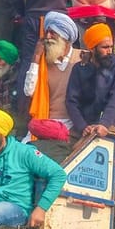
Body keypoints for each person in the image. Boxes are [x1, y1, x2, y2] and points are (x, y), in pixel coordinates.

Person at [24, 11, 80, 141]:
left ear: (65, 37)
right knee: (26, 148)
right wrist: (36, 58)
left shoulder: (82, 58)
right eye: (46, 32)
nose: (48, 37)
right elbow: (29, 91)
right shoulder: (42, 62)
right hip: (46, 122)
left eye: (53, 33)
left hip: (73, 123)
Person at [67, 23, 115, 138]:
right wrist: (82, 126)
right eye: (105, 47)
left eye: (111, 46)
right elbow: (71, 102)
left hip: (109, 123)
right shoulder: (79, 68)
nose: (110, 51)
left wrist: (104, 124)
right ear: (92, 49)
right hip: (85, 125)